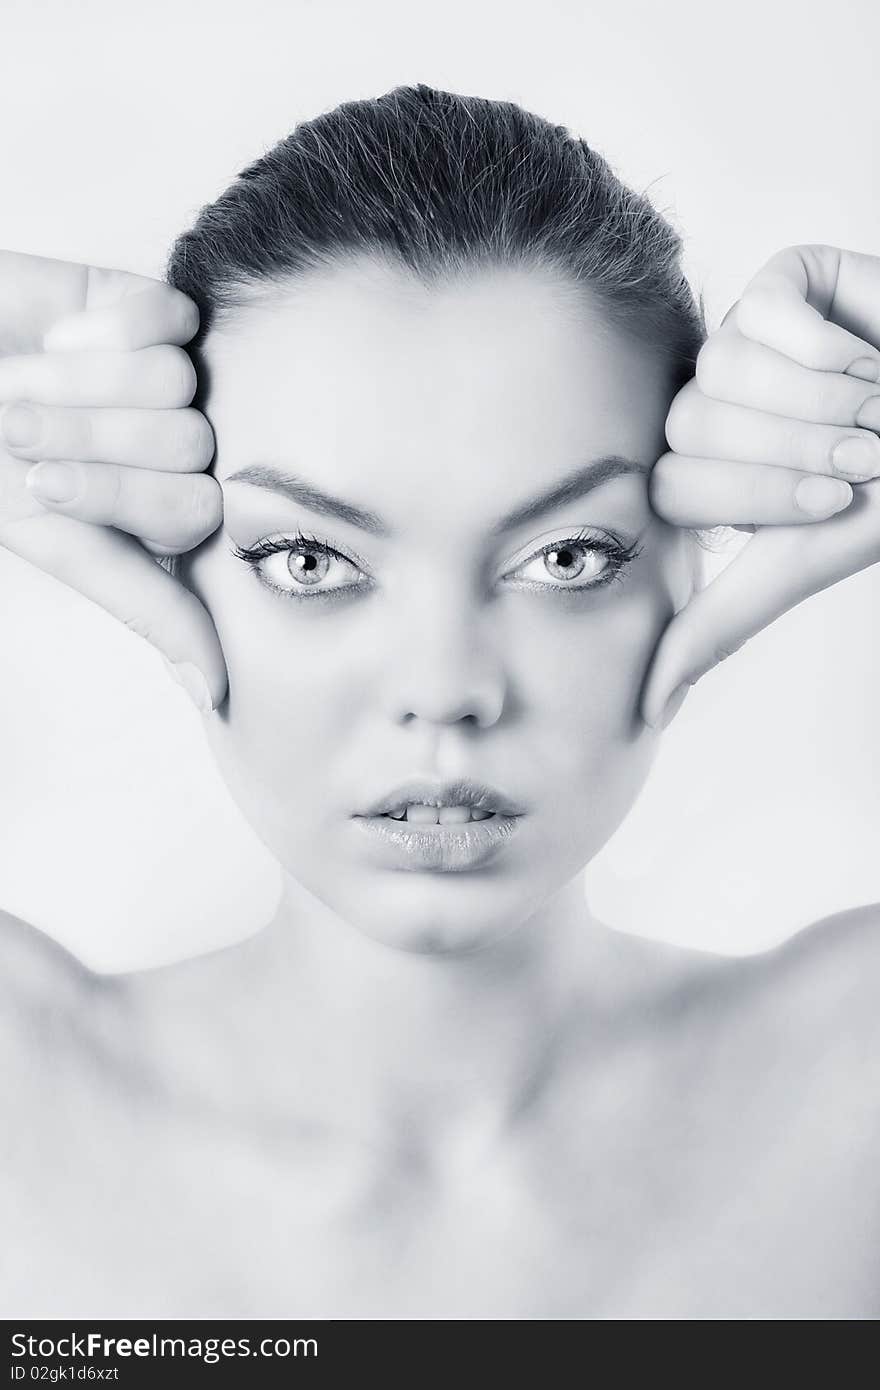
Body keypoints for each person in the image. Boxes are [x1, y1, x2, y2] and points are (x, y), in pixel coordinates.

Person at [1, 83, 879, 1320]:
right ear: (168, 552)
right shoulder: (17, 1096)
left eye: (566, 556)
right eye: (309, 560)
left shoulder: (856, 1082)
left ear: (697, 550)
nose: (443, 691)